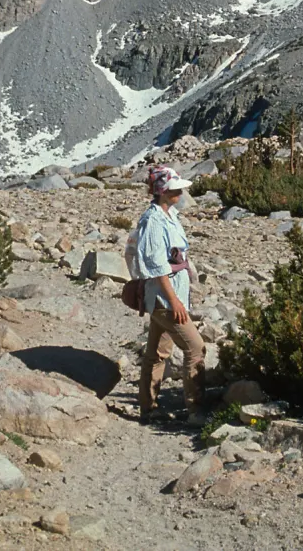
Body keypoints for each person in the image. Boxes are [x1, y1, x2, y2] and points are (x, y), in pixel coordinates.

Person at [132, 165, 205, 422]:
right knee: (195, 348)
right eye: (174, 189)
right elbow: (156, 266)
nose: (180, 193)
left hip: (169, 297)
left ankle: (148, 408)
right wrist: (174, 301)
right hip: (166, 299)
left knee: (157, 352)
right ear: (162, 191)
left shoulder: (170, 214)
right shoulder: (153, 221)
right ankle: (196, 410)